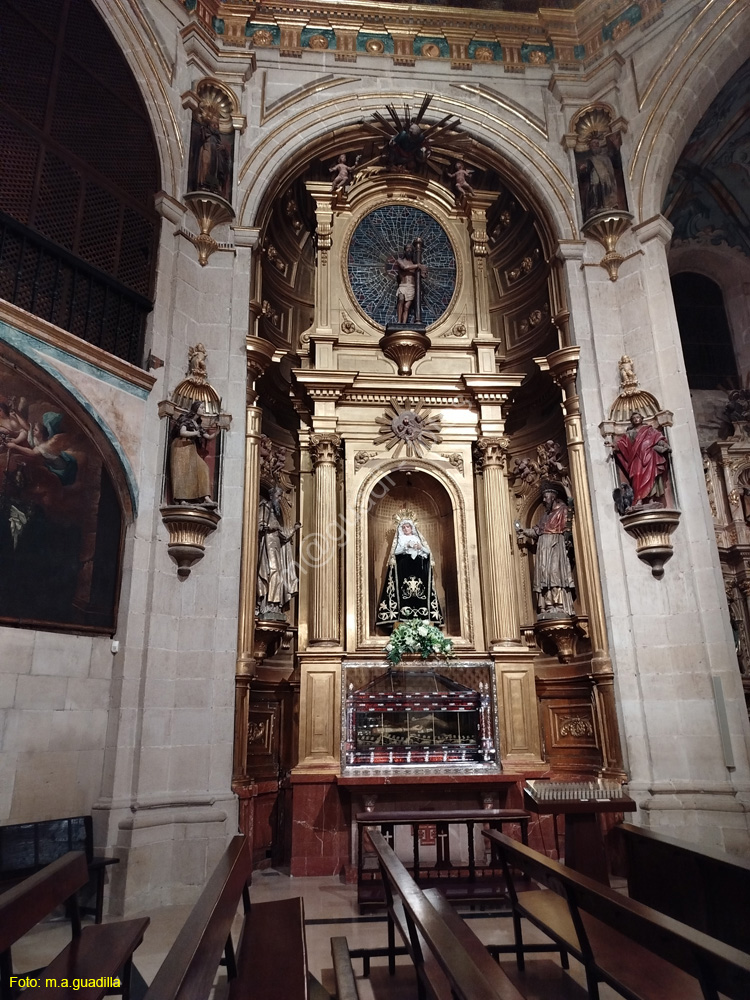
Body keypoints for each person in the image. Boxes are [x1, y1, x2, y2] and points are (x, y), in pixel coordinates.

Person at [517, 485, 575, 618]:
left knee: (555, 573)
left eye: (546, 497)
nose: (543, 500)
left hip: (555, 544)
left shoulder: (563, 510)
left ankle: (559, 604)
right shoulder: (544, 516)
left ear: (553, 497)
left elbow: (568, 529)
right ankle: (548, 605)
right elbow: (537, 531)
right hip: (543, 547)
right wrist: (523, 531)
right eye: (543, 497)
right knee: (544, 574)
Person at [376, 517, 444, 629]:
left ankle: (422, 616)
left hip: (419, 569)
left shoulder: (417, 538)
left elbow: (428, 553)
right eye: (403, 527)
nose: (406, 529)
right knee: (404, 591)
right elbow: (396, 552)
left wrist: (420, 547)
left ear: (412, 528)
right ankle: (404, 616)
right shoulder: (400, 539)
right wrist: (405, 547)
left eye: (407, 527)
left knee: (420, 591)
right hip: (405, 569)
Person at [256, 485, 300, 620]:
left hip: (275, 546)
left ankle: (274, 606)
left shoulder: (274, 514)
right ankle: (266, 606)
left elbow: (284, 536)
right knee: (271, 572)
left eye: (281, 496)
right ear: (271, 496)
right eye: (278, 496)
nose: (280, 499)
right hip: (267, 545)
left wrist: (294, 529)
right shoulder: (264, 508)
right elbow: (258, 525)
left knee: (278, 574)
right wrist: (269, 526)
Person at [613, 411, 671, 508]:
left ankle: (652, 500)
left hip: (649, 457)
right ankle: (639, 500)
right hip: (637, 459)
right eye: (634, 418)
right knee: (637, 477)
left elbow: (657, 439)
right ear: (632, 420)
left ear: (641, 419)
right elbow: (623, 444)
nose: (636, 419)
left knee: (651, 477)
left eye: (638, 417)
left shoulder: (649, 430)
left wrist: (664, 445)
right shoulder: (630, 433)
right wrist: (615, 446)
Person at [169, 402, 219, 505]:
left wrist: (219, 429)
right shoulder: (186, 419)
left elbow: (208, 437)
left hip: (191, 447)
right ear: (195, 408)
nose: (203, 410)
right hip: (181, 445)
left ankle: (205, 497)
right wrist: (195, 433)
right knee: (182, 471)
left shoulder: (198, 424)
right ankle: (182, 499)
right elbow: (182, 432)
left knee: (203, 468)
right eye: (202, 407)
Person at [387, 246, 427, 324]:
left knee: (406, 307)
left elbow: (422, 276)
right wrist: (418, 266)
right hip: (403, 285)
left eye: (411, 250)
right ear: (404, 251)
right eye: (407, 249)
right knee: (401, 300)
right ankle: (399, 321)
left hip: (411, 286)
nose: (409, 251)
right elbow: (404, 267)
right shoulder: (400, 261)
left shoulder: (414, 263)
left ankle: (404, 323)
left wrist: (424, 271)